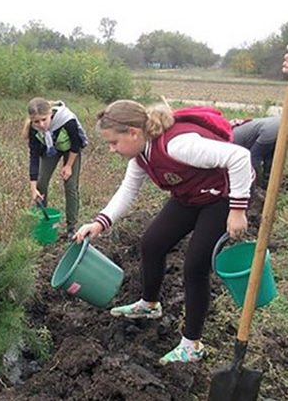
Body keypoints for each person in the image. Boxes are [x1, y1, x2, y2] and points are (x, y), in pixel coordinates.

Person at [75, 100, 252, 365]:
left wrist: (237, 210)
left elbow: (239, 157)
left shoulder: (177, 145)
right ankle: (149, 305)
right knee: (152, 243)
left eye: (114, 142)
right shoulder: (141, 156)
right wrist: (100, 223)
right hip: (190, 196)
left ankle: (192, 344)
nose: (112, 150)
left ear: (133, 132)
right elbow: (128, 190)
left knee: (194, 266)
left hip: (221, 197)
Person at [23, 98, 88, 240]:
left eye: (44, 120)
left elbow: (76, 144)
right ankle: (41, 221)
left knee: (70, 185)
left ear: (50, 114)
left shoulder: (67, 120)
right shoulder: (34, 130)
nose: (41, 124)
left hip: (71, 149)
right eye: (36, 121)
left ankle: (71, 227)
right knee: (41, 183)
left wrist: (68, 166)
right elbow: (34, 158)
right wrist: (33, 188)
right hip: (51, 149)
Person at [230, 116, 280, 188]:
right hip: (233, 143)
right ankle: (255, 186)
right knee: (255, 159)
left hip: (265, 133)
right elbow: (254, 158)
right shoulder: (273, 129)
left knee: (269, 156)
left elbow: (268, 156)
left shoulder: (278, 124)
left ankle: (263, 183)